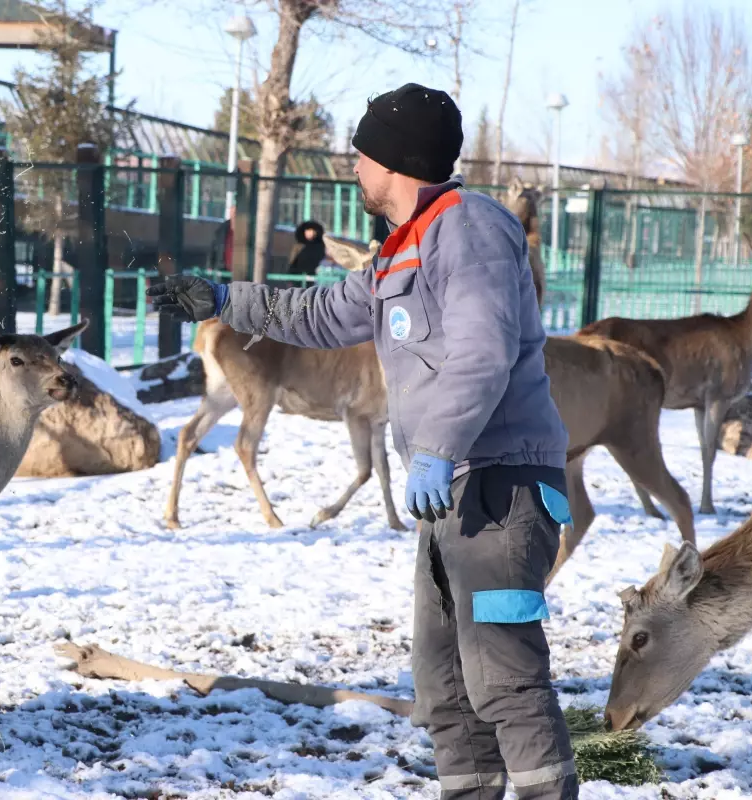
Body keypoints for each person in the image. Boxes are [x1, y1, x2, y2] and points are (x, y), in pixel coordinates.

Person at [148, 83, 577, 800]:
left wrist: (436, 446)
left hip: (501, 488)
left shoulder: (467, 229)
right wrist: (224, 299)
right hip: (453, 496)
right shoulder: (402, 249)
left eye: (363, 152)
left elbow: (482, 349)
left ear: (397, 160)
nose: (353, 166)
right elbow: (320, 314)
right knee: (444, 687)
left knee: (504, 678)